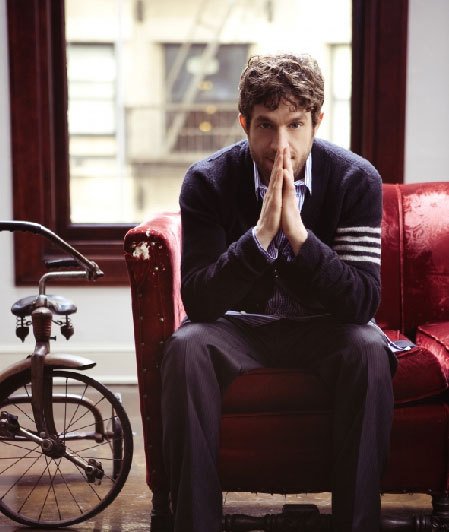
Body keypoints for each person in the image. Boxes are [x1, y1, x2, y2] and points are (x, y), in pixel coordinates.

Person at [161, 53, 395, 532]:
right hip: (238, 329)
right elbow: (199, 301)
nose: (280, 144)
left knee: (370, 349)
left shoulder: (356, 179)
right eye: (266, 125)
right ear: (244, 123)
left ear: (317, 122)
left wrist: (299, 237)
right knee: (186, 347)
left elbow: (360, 302)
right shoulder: (206, 181)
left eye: (295, 124)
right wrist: (261, 236)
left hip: (324, 329)